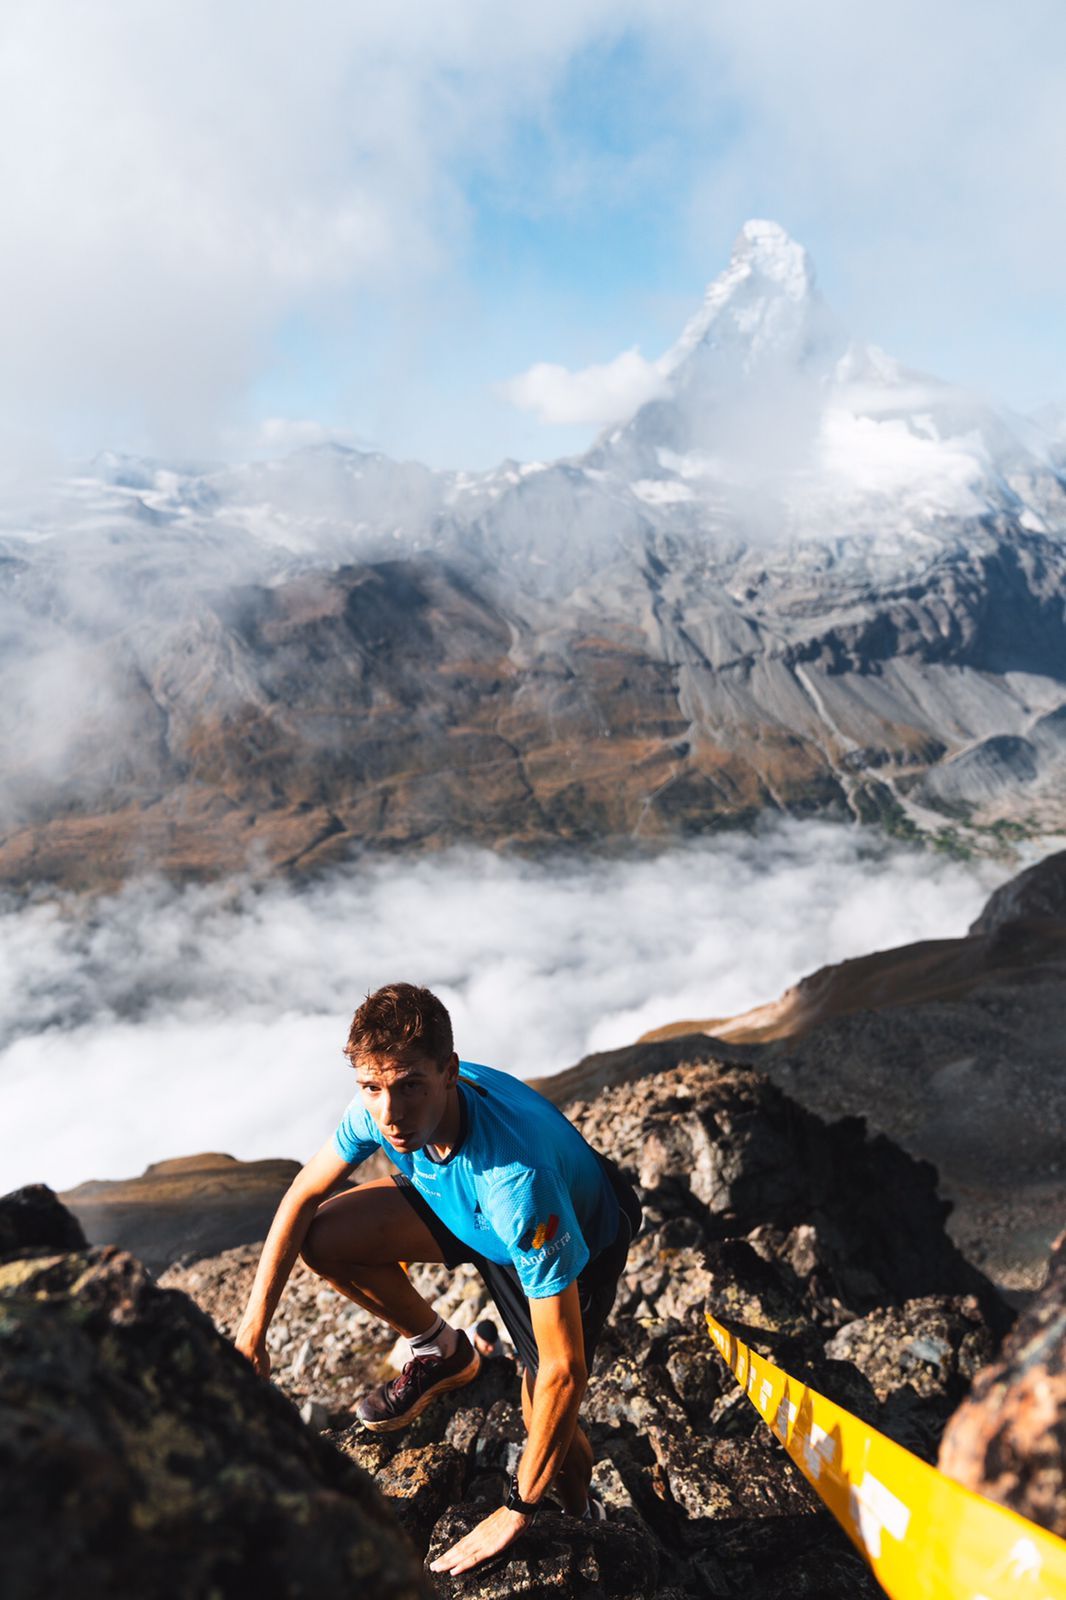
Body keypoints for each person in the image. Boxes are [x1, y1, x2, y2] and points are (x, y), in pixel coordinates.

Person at [234, 981, 641, 1578]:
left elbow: (566, 1370)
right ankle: (442, 1350)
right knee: (323, 1237)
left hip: (564, 1234)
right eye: (371, 1088)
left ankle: (583, 1515)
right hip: (466, 1204)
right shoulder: (386, 1107)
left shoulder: (520, 1186)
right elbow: (301, 1196)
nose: (390, 1114)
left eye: (409, 1087)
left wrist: (517, 1509)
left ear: (449, 1072)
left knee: (544, 1408)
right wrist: (253, 1331)